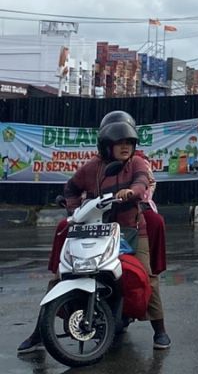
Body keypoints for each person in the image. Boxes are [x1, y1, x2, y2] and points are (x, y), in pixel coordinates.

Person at [18, 115, 170, 354]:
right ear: (106, 145)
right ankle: (40, 333)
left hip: (131, 230)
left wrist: (132, 191)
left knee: (145, 276)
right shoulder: (92, 167)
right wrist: (72, 208)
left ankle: (160, 330)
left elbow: (142, 181)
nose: (125, 147)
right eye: (119, 142)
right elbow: (71, 188)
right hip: (95, 229)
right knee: (62, 275)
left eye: (129, 142)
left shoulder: (137, 163)